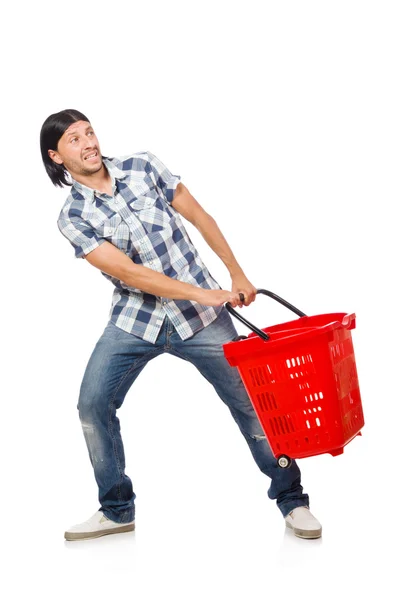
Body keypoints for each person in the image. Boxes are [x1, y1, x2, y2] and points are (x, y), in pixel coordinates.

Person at [40, 108, 322, 541]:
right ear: (56, 156)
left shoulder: (143, 165)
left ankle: (293, 501)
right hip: (136, 321)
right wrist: (200, 292)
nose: (89, 143)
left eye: (89, 132)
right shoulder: (72, 217)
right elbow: (131, 274)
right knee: (93, 405)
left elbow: (200, 217)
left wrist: (236, 273)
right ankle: (117, 510)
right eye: (74, 140)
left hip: (204, 321)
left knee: (253, 405)